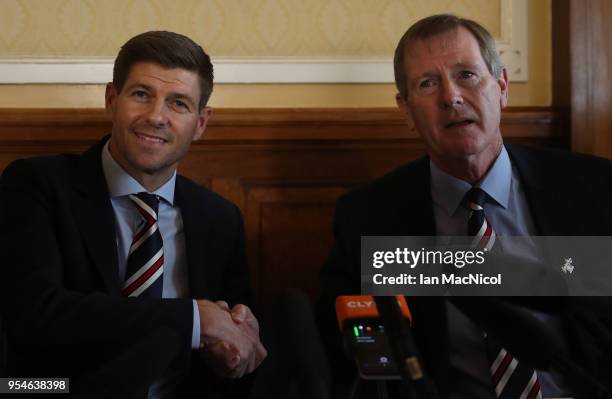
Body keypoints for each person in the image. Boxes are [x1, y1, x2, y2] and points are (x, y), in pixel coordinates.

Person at [319, 14, 612, 398]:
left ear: (502, 87)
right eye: (427, 84)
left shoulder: (593, 188)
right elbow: (354, 359)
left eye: (467, 75)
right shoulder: (371, 219)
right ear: (405, 110)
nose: (451, 97)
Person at [0, 31, 266, 398]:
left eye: (179, 104)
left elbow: (232, 352)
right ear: (112, 99)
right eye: (142, 95)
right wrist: (192, 319)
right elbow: (36, 316)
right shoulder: (36, 185)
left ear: (200, 123)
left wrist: (232, 348)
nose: (156, 117)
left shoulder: (220, 219)